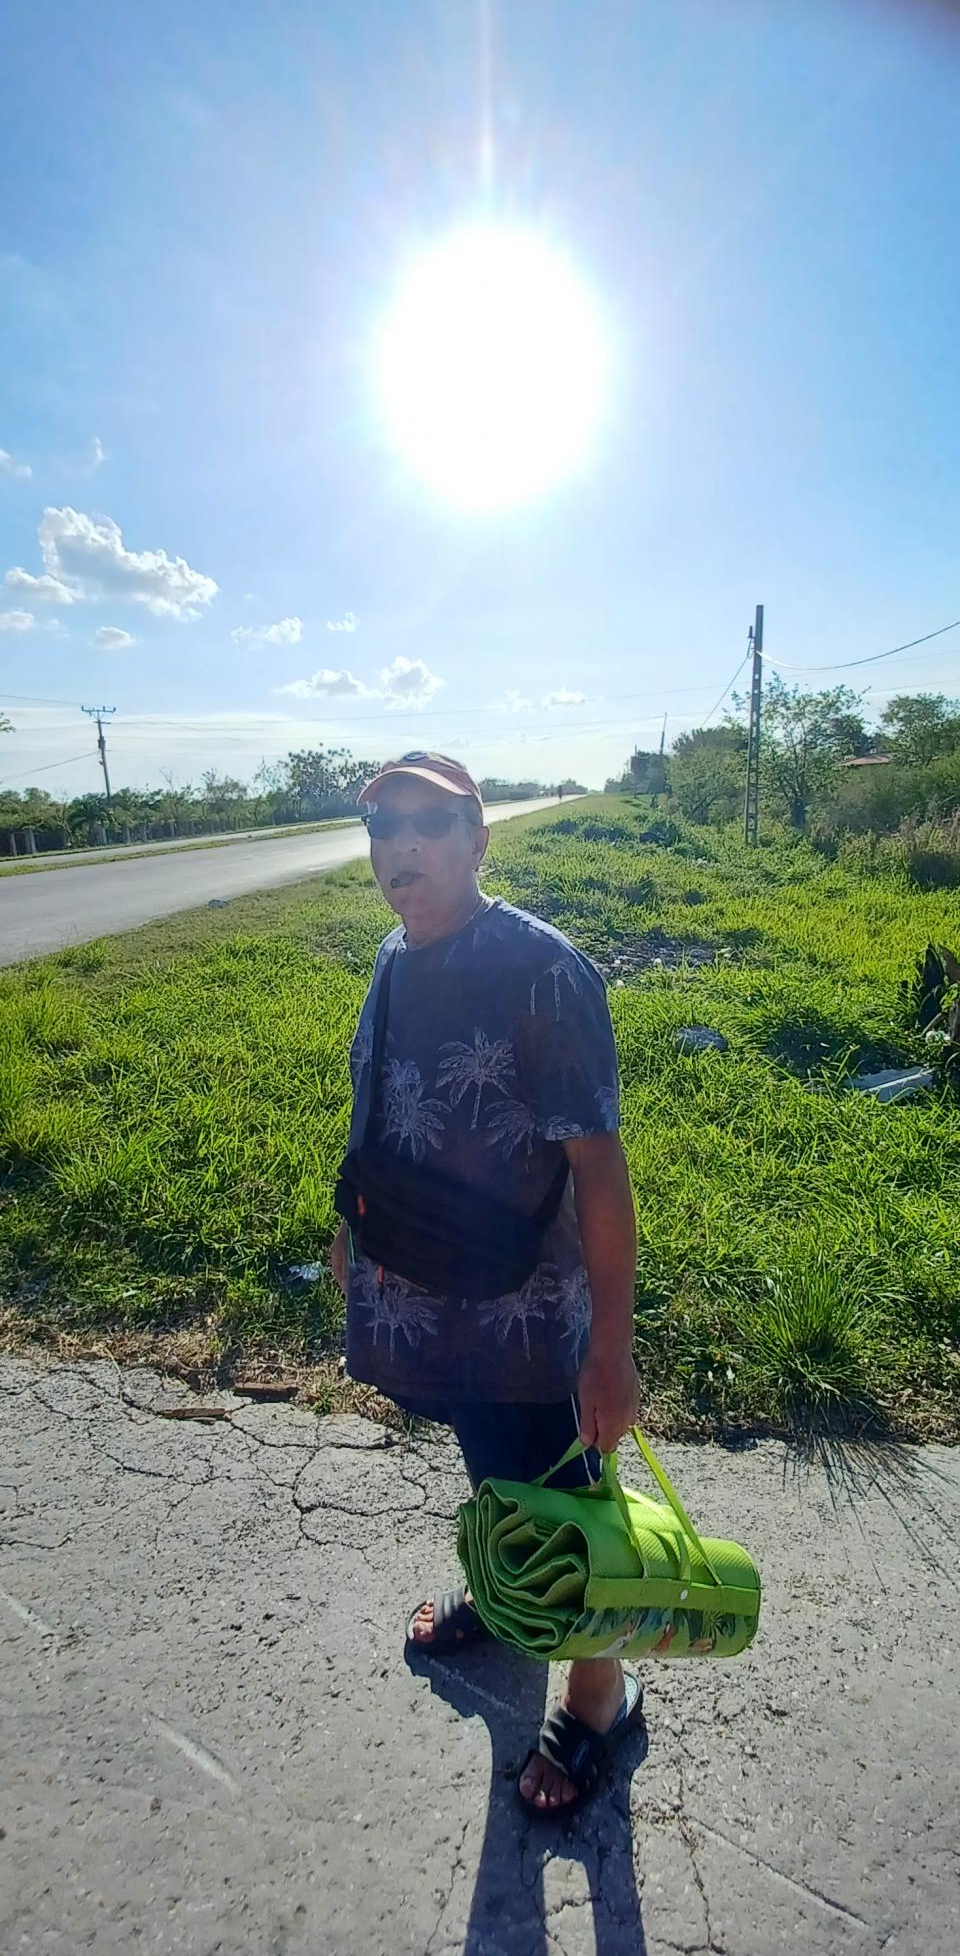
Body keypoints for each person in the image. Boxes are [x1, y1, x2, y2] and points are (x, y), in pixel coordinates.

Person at [331, 750, 641, 1815]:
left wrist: (611, 1348)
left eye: (430, 821)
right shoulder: (393, 955)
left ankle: (599, 1697)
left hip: (529, 1319)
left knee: (572, 1502)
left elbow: (600, 1169)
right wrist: (348, 1227)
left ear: (478, 839)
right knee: (493, 1470)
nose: (402, 845)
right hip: (432, 1300)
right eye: (383, 825)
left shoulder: (542, 970)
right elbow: (375, 1103)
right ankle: (510, 1604)